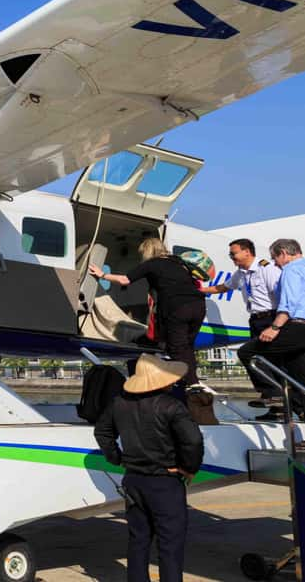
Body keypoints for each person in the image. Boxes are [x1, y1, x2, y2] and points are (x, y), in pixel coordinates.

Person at [95, 353, 204, 582]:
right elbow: (192, 441)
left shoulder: (119, 403)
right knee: (170, 545)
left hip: (133, 480)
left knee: (138, 540)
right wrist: (188, 468)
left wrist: (118, 458)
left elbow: (102, 432)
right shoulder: (171, 406)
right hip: (165, 481)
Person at [89, 238, 207, 389]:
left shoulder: (151, 264)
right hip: (198, 306)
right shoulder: (179, 262)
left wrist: (102, 275)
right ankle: (193, 381)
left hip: (178, 307)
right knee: (187, 347)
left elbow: (125, 280)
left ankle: (192, 384)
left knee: (176, 348)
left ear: (147, 252)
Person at [199, 239, 282, 411]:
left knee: (257, 357)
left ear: (247, 252)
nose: (231, 257)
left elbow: (282, 296)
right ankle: (276, 406)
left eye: (233, 253)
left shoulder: (266, 268)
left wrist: (276, 325)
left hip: (271, 318)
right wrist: (200, 291)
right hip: (256, 320)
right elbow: (223, 287)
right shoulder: (241, 273)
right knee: (262, 360)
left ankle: (277, 398)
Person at [237, 239, 305, 420]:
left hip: (298, 325)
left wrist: (274, 328)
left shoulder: (291, 270)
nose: (275, 263)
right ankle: (300, 411)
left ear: (283, 253)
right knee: (297, 372)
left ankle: (274, 395)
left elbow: (288, 304)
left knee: (248, 353)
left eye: (275, 258)